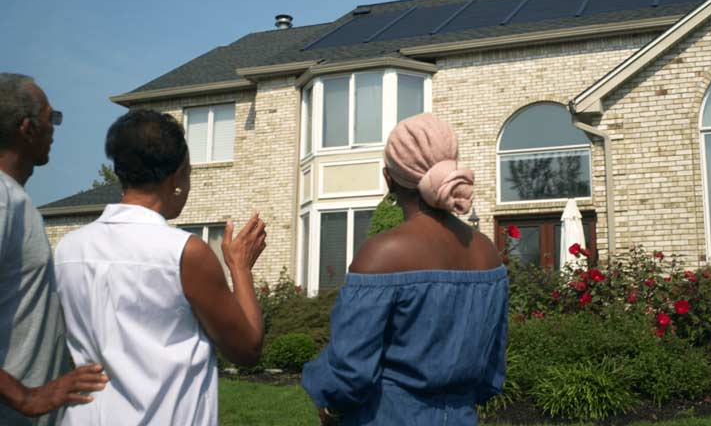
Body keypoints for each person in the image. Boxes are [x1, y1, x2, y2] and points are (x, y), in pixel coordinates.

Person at [53, 109, 266, 425]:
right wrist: (240, 267)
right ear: (177, 176)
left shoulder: (68, 249)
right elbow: (246, 349)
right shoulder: (184, 252)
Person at [302, 113, 509, 426]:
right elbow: (492, 366)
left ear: (388, 179)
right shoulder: (487, 252)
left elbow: (351, 371)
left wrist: (331, 408)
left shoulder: (382, 254)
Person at [0, 73, 108, 425]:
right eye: (52, 118)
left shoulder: (16, 199)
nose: (55, 129)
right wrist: (25, 396)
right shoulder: (3, 202)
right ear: (28, 128)